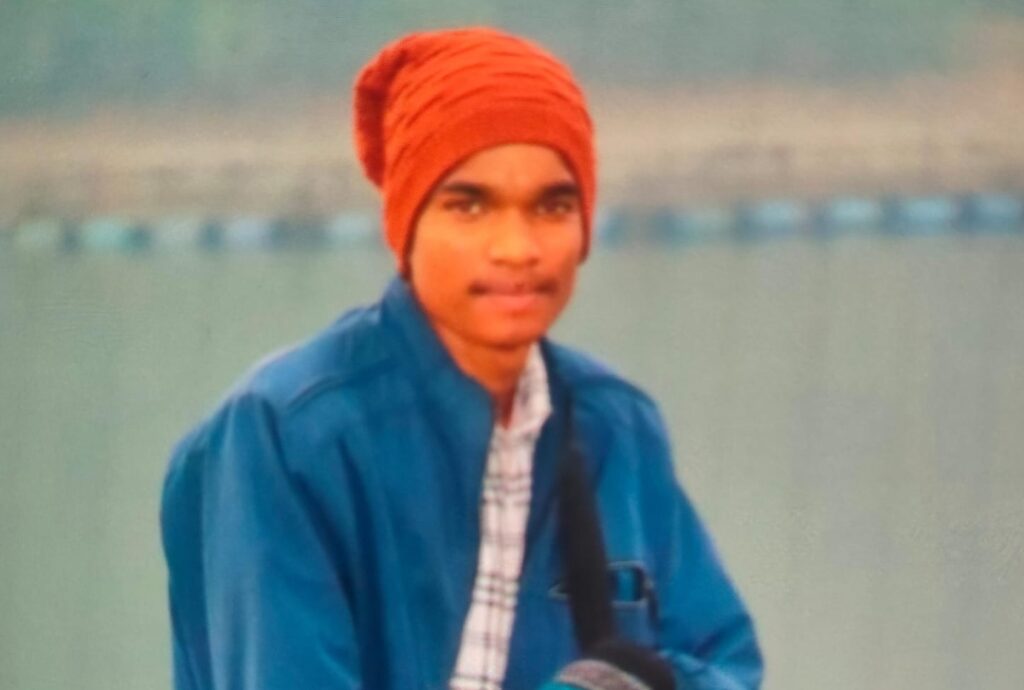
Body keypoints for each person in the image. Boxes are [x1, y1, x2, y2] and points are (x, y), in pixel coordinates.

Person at [160, 27, 763, 690]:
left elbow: (726, 665)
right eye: (469, 205)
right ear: (406, 223)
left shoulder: (615, 426)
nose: (517, 247)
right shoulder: (287, 437)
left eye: (553, 205)